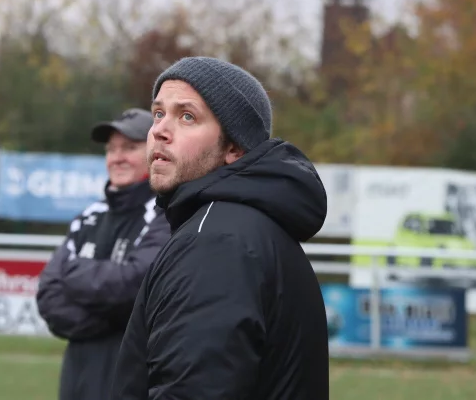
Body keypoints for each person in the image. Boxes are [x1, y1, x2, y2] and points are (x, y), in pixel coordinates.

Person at [111, 57, 330, 399]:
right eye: (158, 113)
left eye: (187, 116)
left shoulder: (215, 242)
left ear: (234, 147)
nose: (159, 131)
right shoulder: (238, 226)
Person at [36, 108, 171, 400]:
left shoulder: (167, 215)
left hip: (133, 381)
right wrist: (110, 320)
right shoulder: (88, 217)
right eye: (111, 149)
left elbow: (138, 284)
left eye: (130, 148)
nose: (117, 157)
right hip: (78, 380)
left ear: (155, 152)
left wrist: (75, 275)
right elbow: (49, 296)